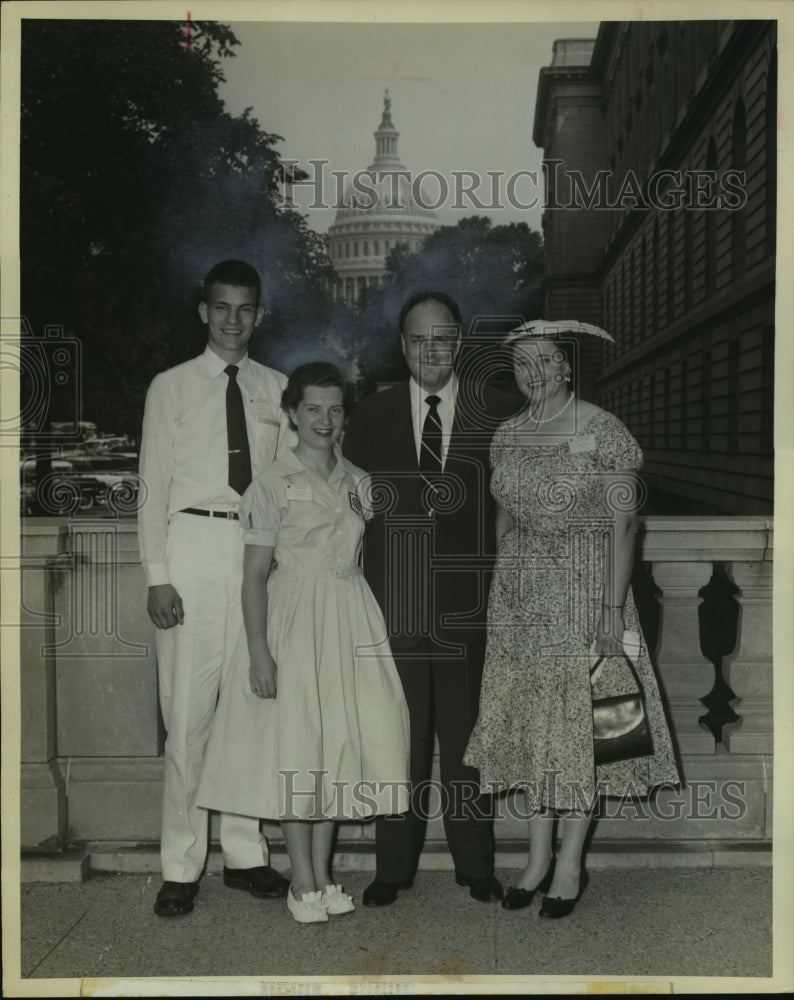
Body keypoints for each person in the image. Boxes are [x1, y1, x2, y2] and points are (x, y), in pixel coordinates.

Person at [464, 319, 682, 918]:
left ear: (566, 366)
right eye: (522, 363)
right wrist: (503, 594)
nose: (534, 373)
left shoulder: (602, 430)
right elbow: (503, 518)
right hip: (521, 598)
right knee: (538, 727)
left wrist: (612, 610)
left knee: (584, 730)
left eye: (545, 361)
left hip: (588, 593)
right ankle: (535, 858)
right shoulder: (507, 434)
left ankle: (568, 863)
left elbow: (624, 527)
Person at [197, 362, 410, 923]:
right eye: (312, 408)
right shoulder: (271, 482)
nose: (324, 419)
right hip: (294, 621)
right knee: (297, 746)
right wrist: (261, 651)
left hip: (349, 619)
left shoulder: (360, 481)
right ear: (291, 413)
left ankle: (324, 877)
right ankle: (302, 882)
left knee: (335, 749)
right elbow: (253, 576)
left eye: (335, 408)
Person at [342, 291, 517, 906]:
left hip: (471, 604)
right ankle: (393, 868)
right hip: (394, 604)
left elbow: (513, 512)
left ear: (460, 343)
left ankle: (476, 864)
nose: (431, 350)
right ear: (402, 345)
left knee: (466, 737)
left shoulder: (498, 412)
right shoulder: (367, 417)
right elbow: (347, 516)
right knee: (401, 737)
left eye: (442, 338)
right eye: (419, 339)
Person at [138, 260, 291, 917]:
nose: (233, 320)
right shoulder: (170, 388)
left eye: (245, 308)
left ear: (260, 315)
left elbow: (289, 485)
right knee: (189, 716)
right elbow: (151, 489)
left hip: (257, 554)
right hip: (192, 548)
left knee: (252, 711)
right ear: (204, 312)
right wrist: (158, 576)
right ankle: (180, 862)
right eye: (221, 307)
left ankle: (247, 851)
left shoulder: (277, 389)